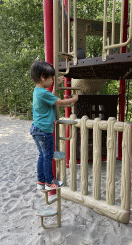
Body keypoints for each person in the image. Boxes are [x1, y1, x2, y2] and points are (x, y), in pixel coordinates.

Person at [30, 60, 78, 190]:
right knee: (48, 156)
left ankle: (41, 182)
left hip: (36, 128)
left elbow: (48, 93)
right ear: (42, 78)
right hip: (44, 131)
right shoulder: (44, 93)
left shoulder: (37, 90)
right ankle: (50, 182)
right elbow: (60, 102)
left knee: (42, 155)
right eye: (51, 78)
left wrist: (56, 82)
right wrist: (74, 99)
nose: (52, 80)